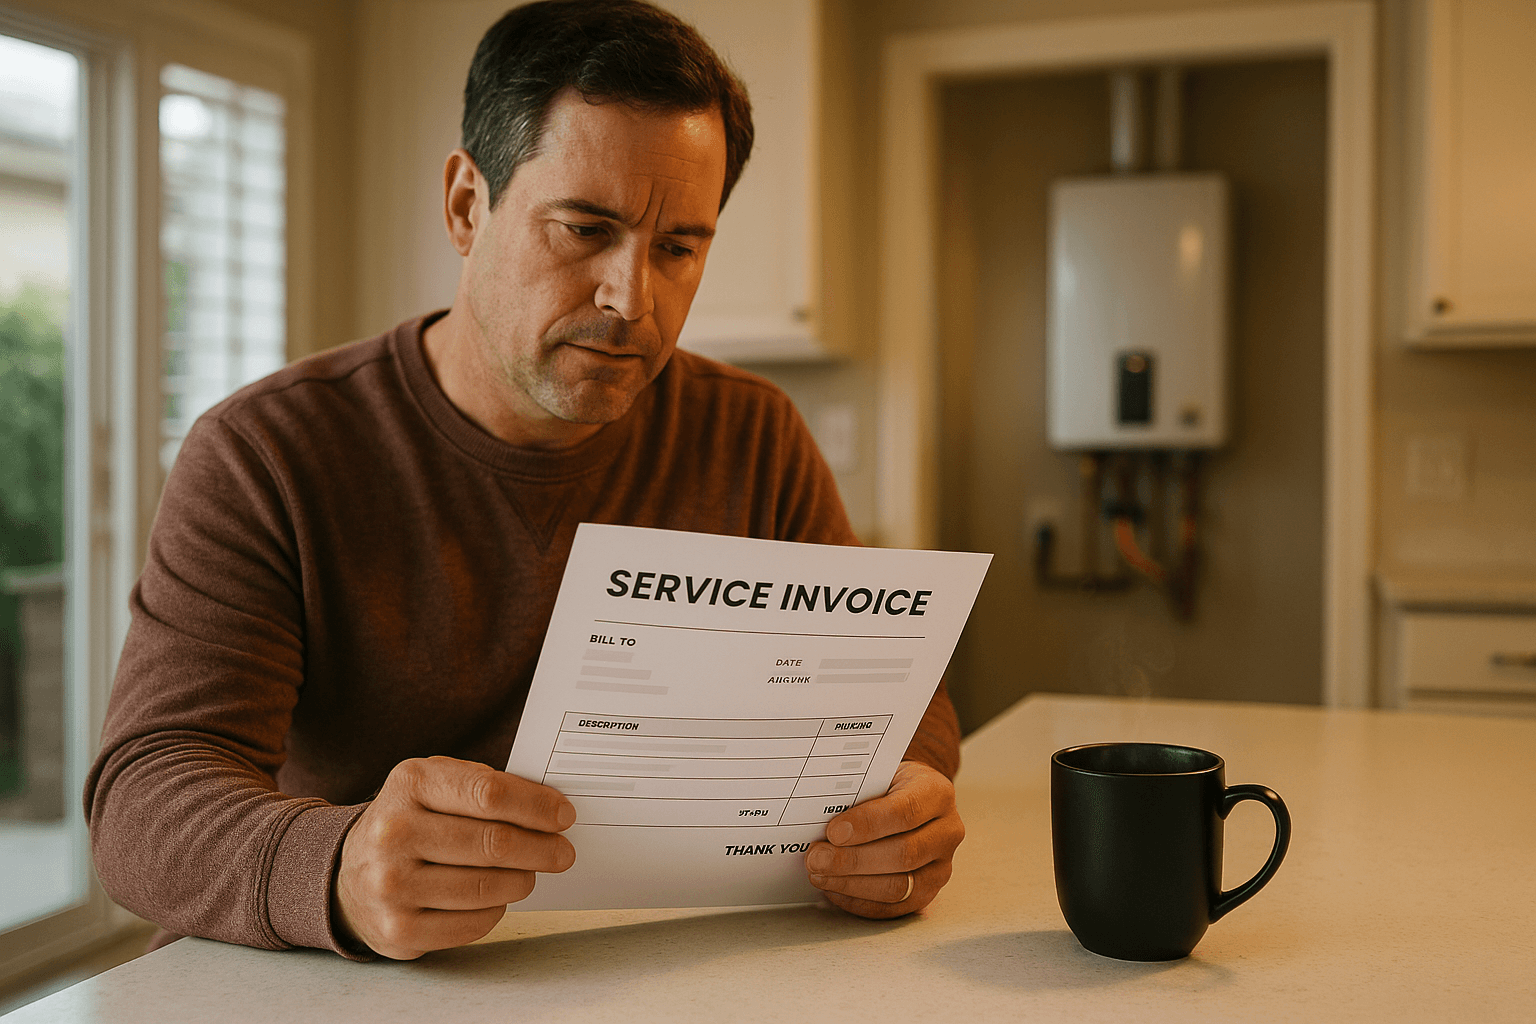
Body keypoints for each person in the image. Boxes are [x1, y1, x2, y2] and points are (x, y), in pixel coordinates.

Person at [85, 0, 964, 962]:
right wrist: (337, 867)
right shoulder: (267, 455)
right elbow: (143, 798)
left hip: (650, 959)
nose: (633, 299)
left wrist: (908, 797)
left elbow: (890, 691)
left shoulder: (749, 433)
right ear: (468, 205)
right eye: (585, 229)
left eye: (678, 248)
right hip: (356, 981)